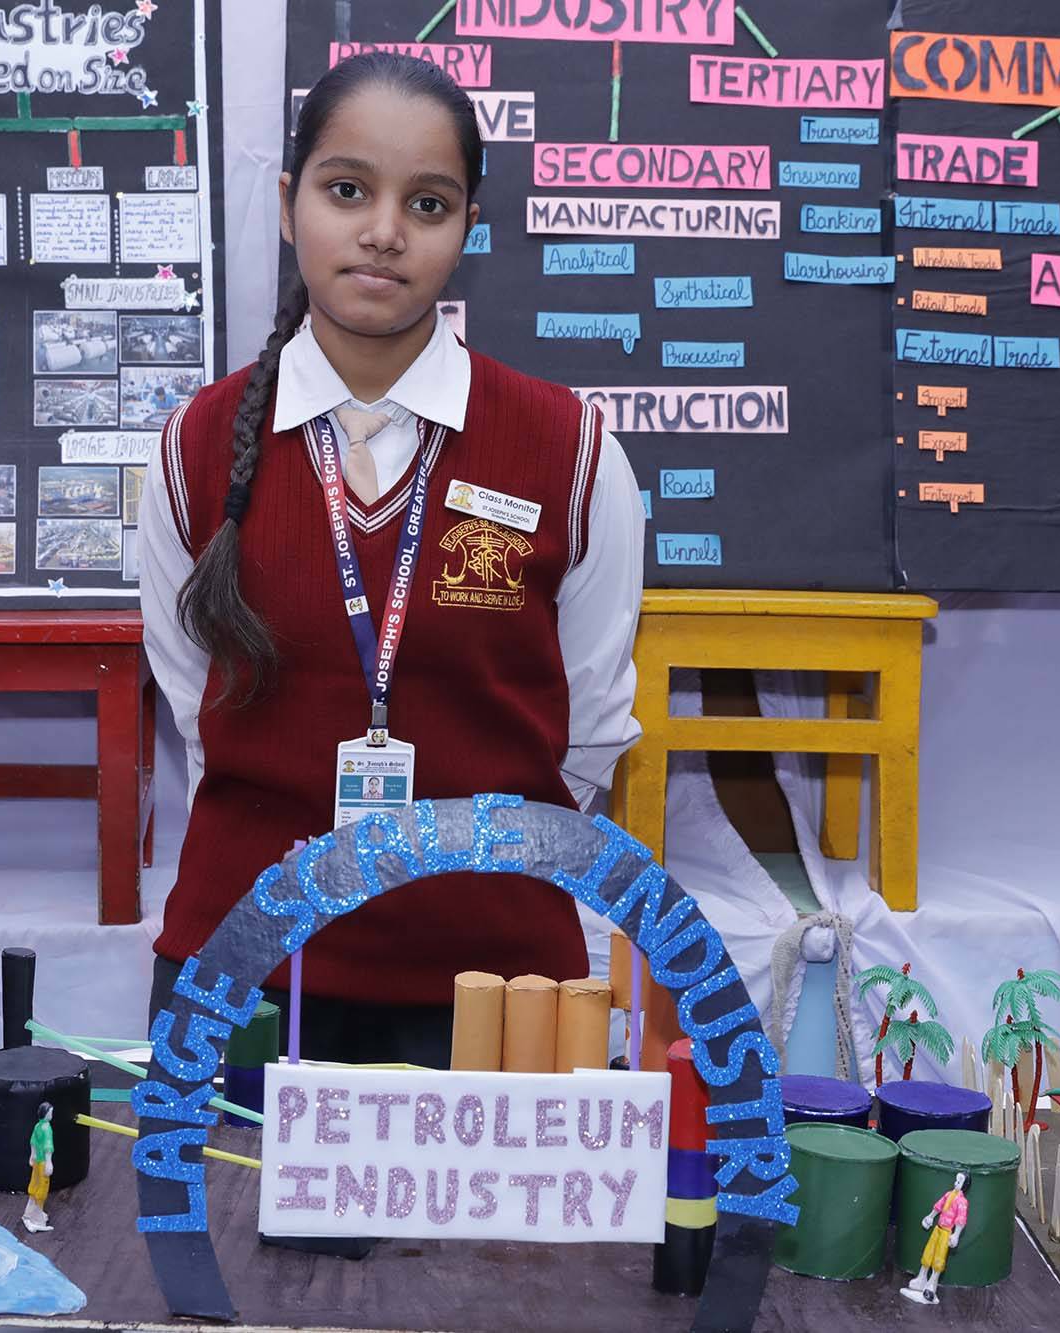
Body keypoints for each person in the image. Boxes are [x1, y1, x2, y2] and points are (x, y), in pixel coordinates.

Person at [139, 52, 643, 1068]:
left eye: (427, 204)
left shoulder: (572, 450)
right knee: (217, 1184)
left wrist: (468, 874)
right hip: (245, 976)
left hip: (499, 989)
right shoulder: (195, 446)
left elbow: (588, 731)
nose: (382, 231)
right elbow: (194, 709)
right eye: (346, 191)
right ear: (290, 205)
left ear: (468, 228)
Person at [900, 1171, 968, 1305]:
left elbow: (961, 1219)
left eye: (959, 1182)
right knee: (929, 1252)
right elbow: (939, 1206)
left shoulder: (962, 1202)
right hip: (938, 1229)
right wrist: (930, 1217)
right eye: (956, 1180)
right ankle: (921, 1279)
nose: (955, 1183)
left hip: (946, 1232)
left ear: (964, 1185)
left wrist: (956, 1235)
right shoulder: (948, 1195)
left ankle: (931, 1285)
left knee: (939, 1258)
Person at [23, 1101, 55, 1232]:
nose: (52, 1115)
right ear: (46, 1114)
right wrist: (49, 1162)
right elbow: (48, 1147)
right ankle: (36, 1219)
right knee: (41, 1189)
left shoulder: (37, 1126)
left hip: (37, 1161)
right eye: (51, 1112)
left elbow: (33, 1142)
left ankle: (29, 1214)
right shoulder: (46, 1128)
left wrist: (32, 1156)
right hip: (42, 1163)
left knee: (34, 1186)